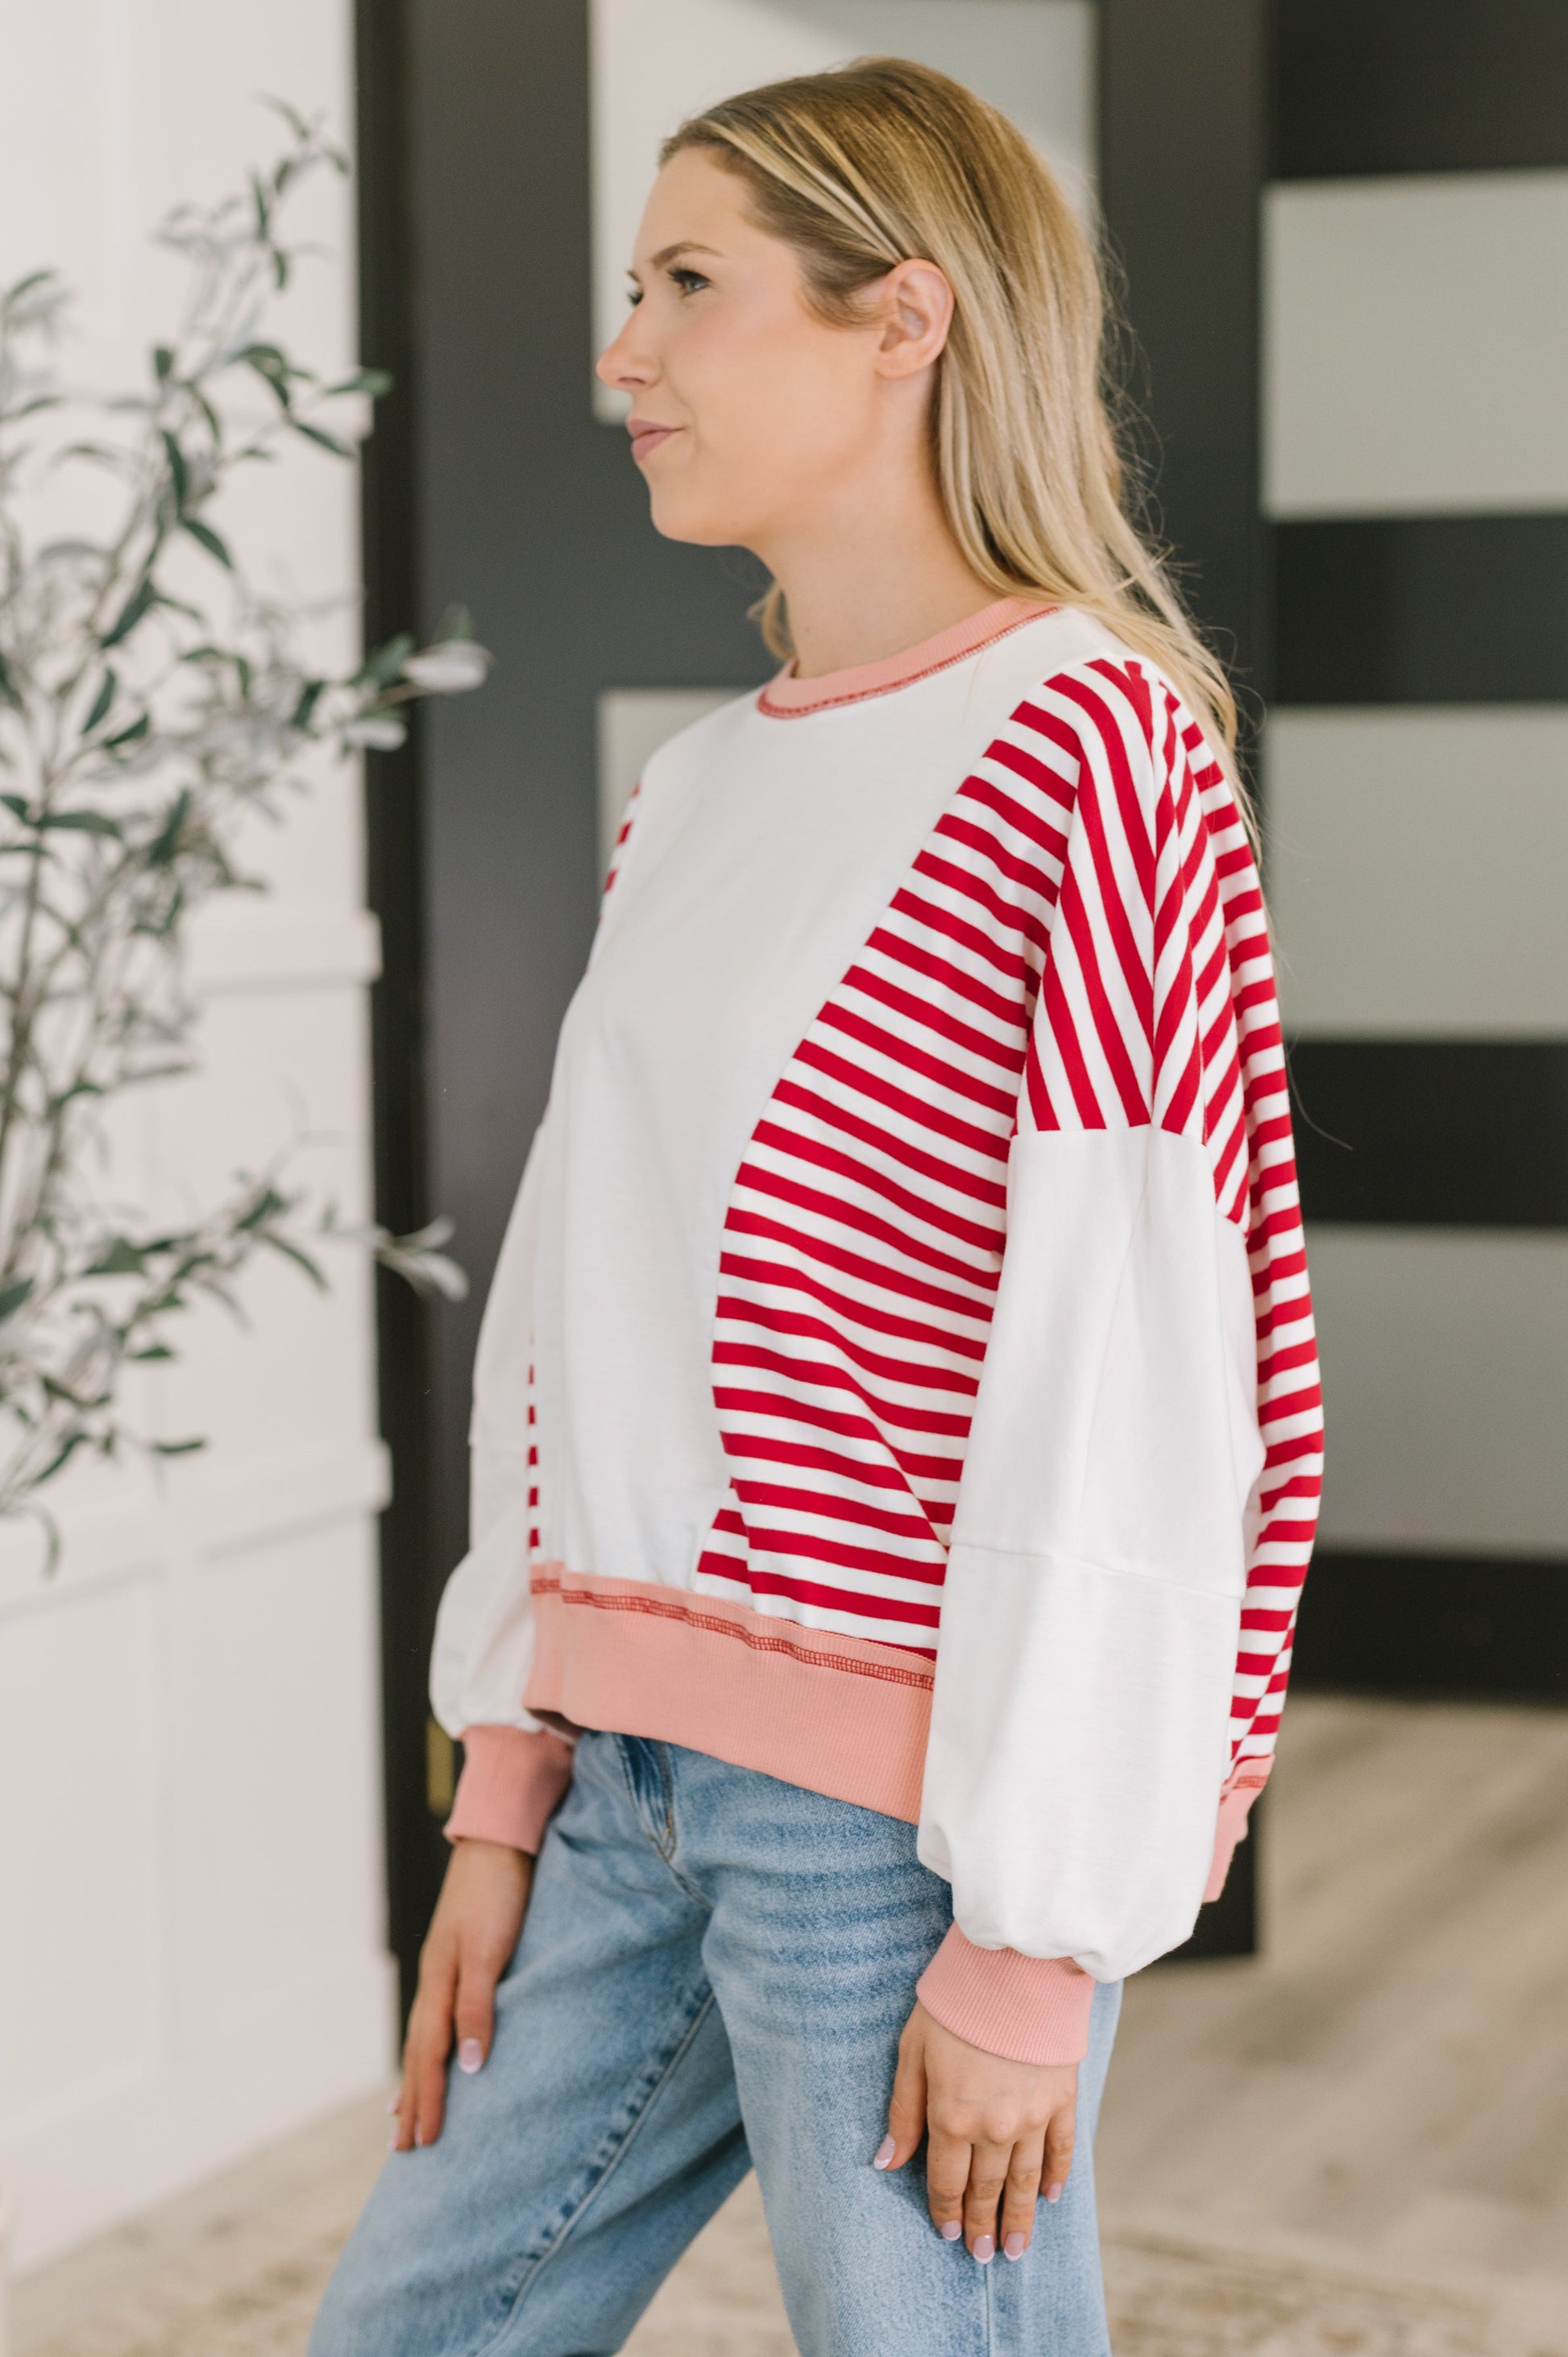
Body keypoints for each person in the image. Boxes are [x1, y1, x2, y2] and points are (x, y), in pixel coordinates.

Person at [312, 55, 1321, 2357]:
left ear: (906, 318)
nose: (624, 353)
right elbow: (581, 1304)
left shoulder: (1092, 744)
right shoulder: (694, 788)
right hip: (615, 1777)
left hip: (889, 1826)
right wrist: (507, 1777)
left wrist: (1034, 1934)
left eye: (689, 282)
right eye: (630, 288)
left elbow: (1151, 1371)